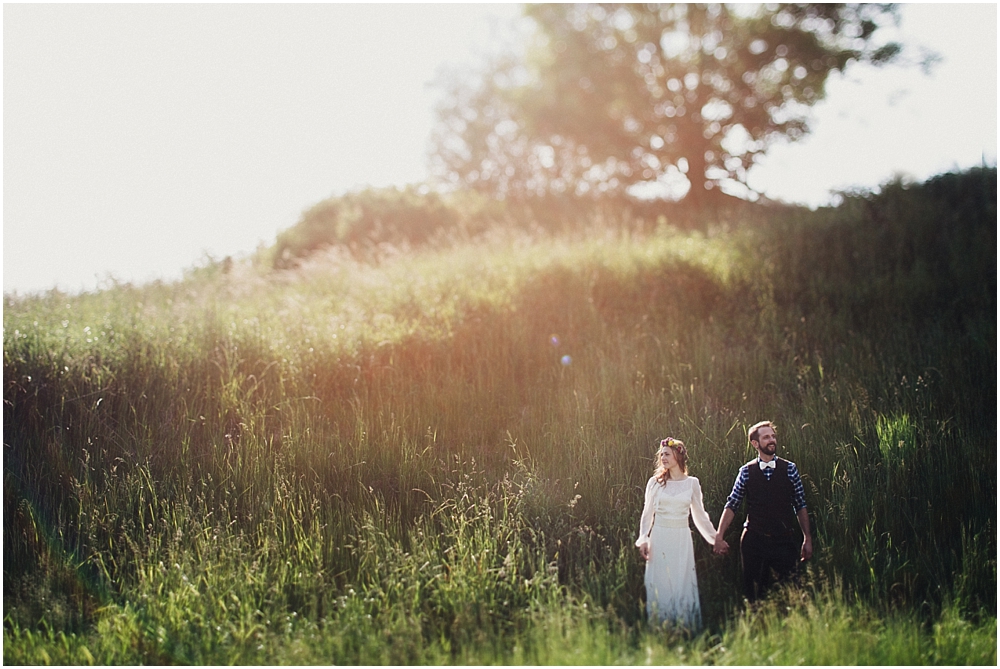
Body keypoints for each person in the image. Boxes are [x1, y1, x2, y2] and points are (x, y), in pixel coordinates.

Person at [713, 421, 812, 603]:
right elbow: (732, 504)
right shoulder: (746, 472)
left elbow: (800, 505)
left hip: (784, 540)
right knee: (755, 596)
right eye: (766, 437)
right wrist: (719, 535)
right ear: (755, 443)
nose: (772, 440)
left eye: (773, 436)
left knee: (793, 592)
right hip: (754, 541)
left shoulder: (790, 469)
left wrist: (807, 538)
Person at [635, 437, 720, 629]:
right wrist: (643, 539)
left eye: (667, 454)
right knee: (660, 580)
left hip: (681, 537)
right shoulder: (654, 483)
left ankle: (684, 625)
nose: (663, 457)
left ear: (678, 455)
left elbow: (700, 516)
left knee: (681, 579)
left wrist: (715, 539)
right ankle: (661, 625)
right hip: (660, 536)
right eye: (661, 454)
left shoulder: (692, 483)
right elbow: (647, 514)